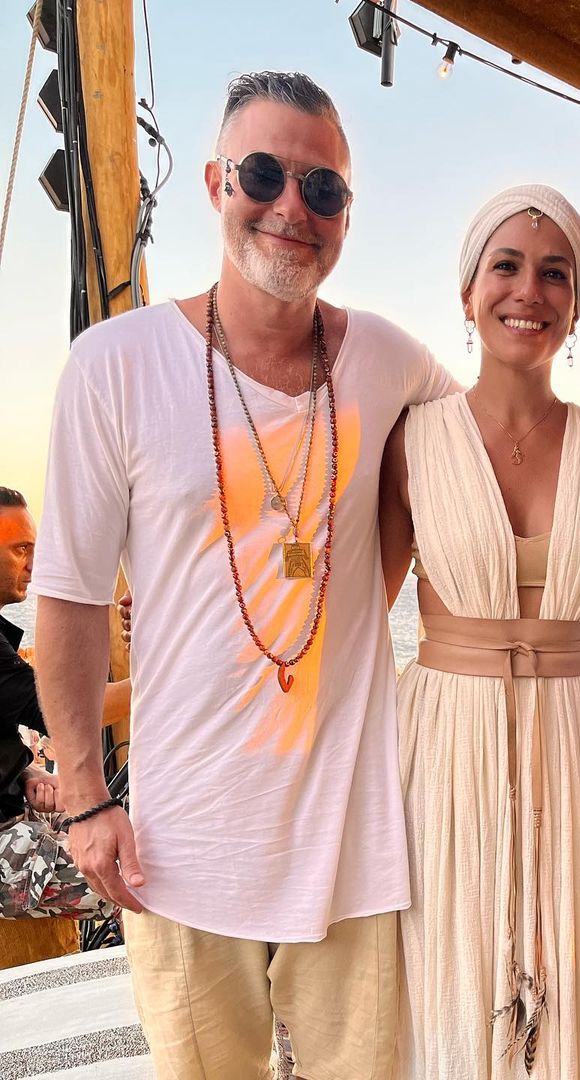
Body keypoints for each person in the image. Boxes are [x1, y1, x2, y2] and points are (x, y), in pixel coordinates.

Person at [31, 72, 455, 1079]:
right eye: (264, 174)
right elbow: (70, 596)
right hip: (183, 846)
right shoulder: (116, 363)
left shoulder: (391, 359)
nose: (291, 207)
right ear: (218, 181)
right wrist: (85, 798)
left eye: (324, 188)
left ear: (347, 211)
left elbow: (475, 457)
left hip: (353, 844)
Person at [379, 185, 580, 1079]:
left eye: (554, 273)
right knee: (452, 981)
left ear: (576, 302)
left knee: (579, 980)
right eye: (506, 266)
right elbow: (354, 613)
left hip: (577, 736)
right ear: (468, 292)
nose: (528, 290)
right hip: (448, 743)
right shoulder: (413, 441)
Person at [0, 487, 122, 920]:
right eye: (20, 549)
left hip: (20, 815)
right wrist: (168, 679)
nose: (34, 564)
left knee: (146, 835)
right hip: (6, 848)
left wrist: (23, 773)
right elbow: (67, 714)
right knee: (142, 882)